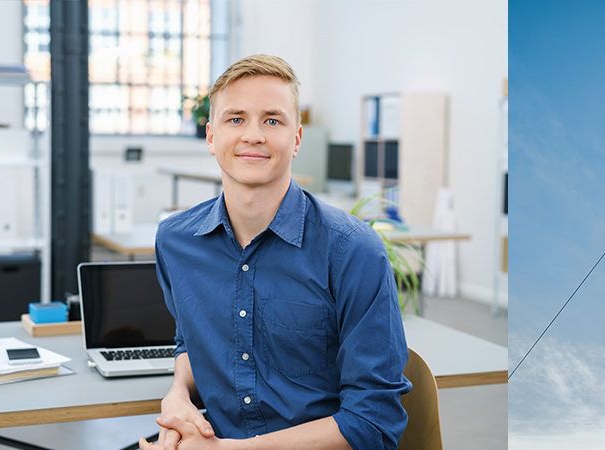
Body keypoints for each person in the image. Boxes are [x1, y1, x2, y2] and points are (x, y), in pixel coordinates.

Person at [143, 54, 411, 450]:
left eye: (272, 120)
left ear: (296, 139)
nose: (254, 135)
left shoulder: (353, 250)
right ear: (211, 136)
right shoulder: (175, 242)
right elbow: (191, 340)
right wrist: (179, 393)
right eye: (236, 119)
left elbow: (375, 422)